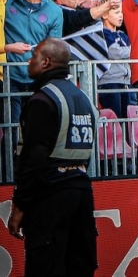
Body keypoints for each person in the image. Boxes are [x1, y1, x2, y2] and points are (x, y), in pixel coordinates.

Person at [7, 39, 98, 276]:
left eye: (34, 56)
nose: (29, 60)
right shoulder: (83, 99)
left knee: (46, 268)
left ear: (46, 62)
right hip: (81, 192)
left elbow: (33, 159)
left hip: (50, 197)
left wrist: (20, 206)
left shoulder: (42, 100)